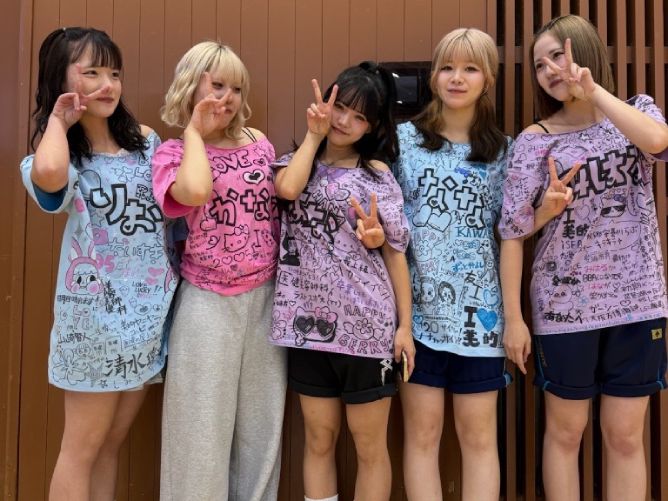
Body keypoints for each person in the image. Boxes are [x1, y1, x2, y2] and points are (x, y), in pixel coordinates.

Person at [499, 14, 668, 501]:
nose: (549, 70)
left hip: (637, 303)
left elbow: (658, 142)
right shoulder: (534, 141)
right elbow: (512, 232)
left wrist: (594, 94)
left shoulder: (635, 111)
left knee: (625, 437)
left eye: (558, 55)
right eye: (539, 64)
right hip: (563, 309)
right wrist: (515, 319)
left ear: (585, 51)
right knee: (565, 433)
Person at [20, 27, 176, 501]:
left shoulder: (146, 143)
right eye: (92, 73)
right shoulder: (57, 155)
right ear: (61, 80)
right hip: (92, 326)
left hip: (147, 318)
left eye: (114, 73)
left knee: (110, 446)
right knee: (81, 450)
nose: (108, 85)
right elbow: (49, 176)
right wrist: (58, 120)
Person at [271, 61, 415, 501]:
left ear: (372, 127)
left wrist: (404, 326)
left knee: (369, 447)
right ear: (325, 102)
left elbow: (395, 253)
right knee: (318, 440)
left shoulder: (376, 175)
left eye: (360, 117)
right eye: (341, 108)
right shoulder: (294, 163)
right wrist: (313, 137)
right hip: (307, 327)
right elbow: (287, 190)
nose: (345, 121)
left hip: (367, 328)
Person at [151, 41, 286, 501]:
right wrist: (195, 133)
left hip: (265, 297)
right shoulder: (172, 153)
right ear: (191, 87)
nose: (227, 98)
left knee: (261, 431)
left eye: (236, 88)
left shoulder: (259, 142)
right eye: (217, 86)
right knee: (199, 432)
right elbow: (193, 192)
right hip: (206, 302)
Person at [393, 28, 511, 501]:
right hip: (417, 318)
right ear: (434, 77)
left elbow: (512, 230)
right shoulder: (403, 141)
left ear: (488, 79)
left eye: (470, 68)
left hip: (481, 319)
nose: (456, 78)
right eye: (447, 67)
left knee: (479, 438)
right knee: (422, 435)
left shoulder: (503, 150)